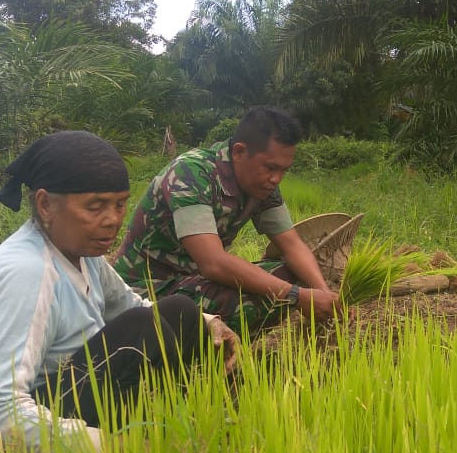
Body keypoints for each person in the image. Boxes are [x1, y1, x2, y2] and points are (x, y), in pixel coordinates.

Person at [0, 131, 237, 453]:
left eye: (120, 205)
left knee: (179, 312)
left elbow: (133, 307)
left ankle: (189, 431)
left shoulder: (82, 253)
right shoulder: (26, 272)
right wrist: (112, 448)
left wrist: (207, 324)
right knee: (140, 334)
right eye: (95, 207)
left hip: (51, 403)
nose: (112, 220)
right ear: (45, 205)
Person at [114, 106, 340, 333]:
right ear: (239, 152)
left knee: (292, 275)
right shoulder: (191, 174)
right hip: (148, 292)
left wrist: (325, 296)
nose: (276, 179)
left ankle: (225, 343)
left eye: (284, 170)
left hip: (193, 282)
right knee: (248, 300)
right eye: (271, 167)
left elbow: (292, 246)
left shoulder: (263, 185)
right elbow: (213, 264)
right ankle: (208, 350)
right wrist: (296, 296)